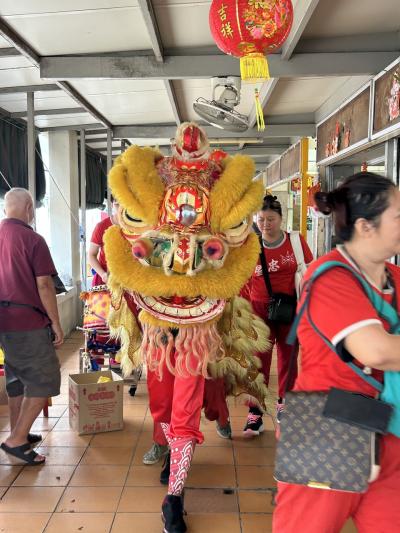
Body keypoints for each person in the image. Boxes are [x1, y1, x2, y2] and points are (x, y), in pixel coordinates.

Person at [273, 172, 400, 532]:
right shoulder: (330, 278)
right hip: (329, 429)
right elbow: (375, 351)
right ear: (366, 226)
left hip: (389, 430)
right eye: (398, 216)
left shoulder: (394, 277)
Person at [0, 188, 63, 465]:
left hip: (4, 325)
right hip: (27, 322)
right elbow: (45, 285)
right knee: (44, 380)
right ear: (29, 208)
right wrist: (57, 324)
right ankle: (16, 440)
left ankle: (19, 432)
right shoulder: (32, 239)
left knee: (16, 380)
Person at [243, 195, 313, 436]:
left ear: (281, 219)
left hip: (290, 309)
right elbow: (243, 280)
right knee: (257, 363)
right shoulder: (250, 245)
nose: (265, 224)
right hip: (259, 311)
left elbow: (309, 271)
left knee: (288, 358)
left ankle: (285, 404)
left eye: (271, 219)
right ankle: (255, 413)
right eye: (261, 219)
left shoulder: (295, 241)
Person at [88, 197, 119, 286]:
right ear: (112, 205)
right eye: (117, 204)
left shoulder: (137, 227)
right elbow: (91, 255)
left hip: (129, 279)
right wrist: (103, 274)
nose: (121, 208)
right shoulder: (101, 226)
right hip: (106, 278)